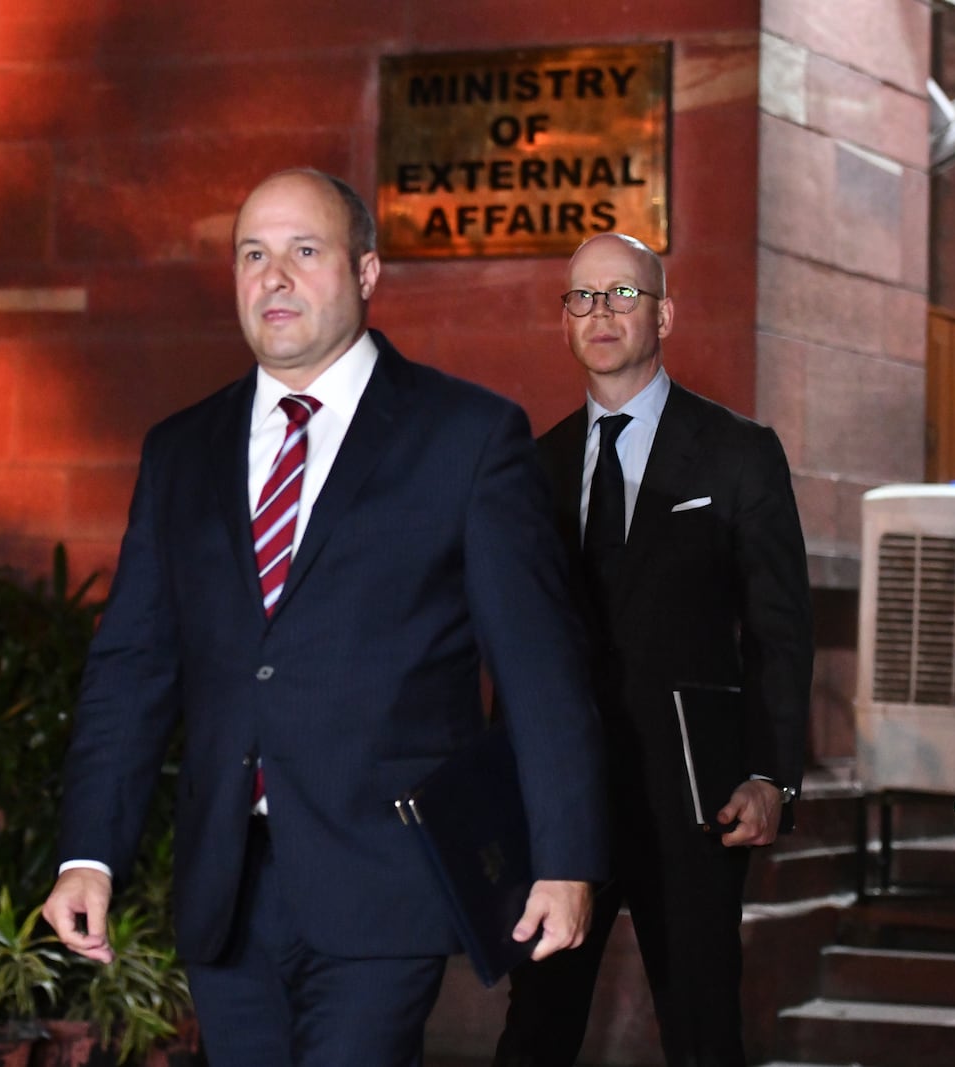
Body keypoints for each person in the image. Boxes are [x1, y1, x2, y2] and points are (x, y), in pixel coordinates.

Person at [40, 168, 609, 1067]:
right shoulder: (182, 450)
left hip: (387, 877)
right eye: (253, 255)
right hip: (227, 887)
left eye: (305, 252)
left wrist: (566, 857)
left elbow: (541, 672)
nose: (275, 277)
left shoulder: (467, 437)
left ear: (368, 272)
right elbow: (132, 667)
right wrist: (90, 855)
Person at [492, 233, 813, 1067]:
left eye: (623, 294)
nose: (601, 313)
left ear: (663, 312)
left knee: (703, 1029)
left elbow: (781, 631)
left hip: (696, 799)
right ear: (564, 321)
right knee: (535, 1030)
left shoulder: (739, 452)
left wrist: (773, 775)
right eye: (583, 298)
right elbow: (515, 643)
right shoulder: (533, 467)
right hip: (565, 806)